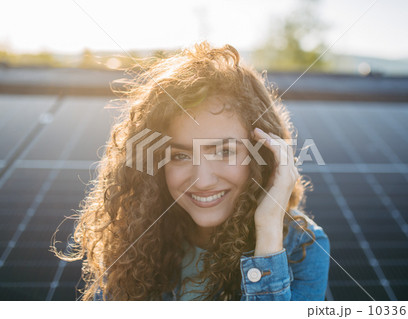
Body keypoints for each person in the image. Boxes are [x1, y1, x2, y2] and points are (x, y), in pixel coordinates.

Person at [54, 41, 330, 301]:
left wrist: (269, 232)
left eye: (224, 152)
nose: (203, 179)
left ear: (263, 155)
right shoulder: (131, 234)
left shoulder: (304, 248)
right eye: (180, 155)